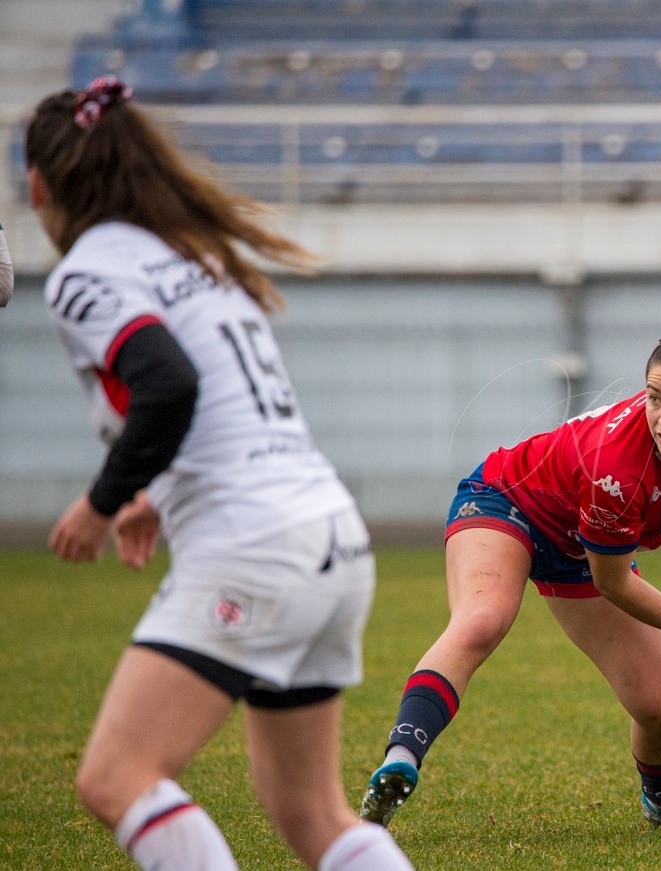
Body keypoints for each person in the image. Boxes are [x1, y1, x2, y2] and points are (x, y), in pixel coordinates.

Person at [25, 77, 412, 870]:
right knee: (312, 812)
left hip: (254, 545)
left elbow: (169, 384)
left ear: (38, 184)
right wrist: (149, 492)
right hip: (329, 534)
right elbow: (215, 402)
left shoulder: (84, 273)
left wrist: (102, 502)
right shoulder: (192, 254)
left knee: (115, 776)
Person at [358, 322, 661, 832]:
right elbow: (615, 582)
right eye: (654, 397)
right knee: (482, 619)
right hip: (505, 499)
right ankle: (400, 758)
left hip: (580, 546)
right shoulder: (618, 468)